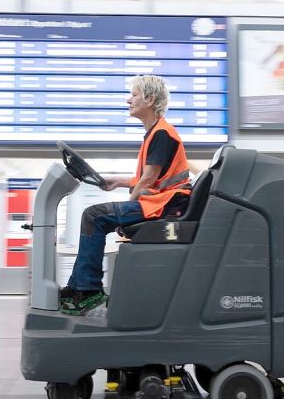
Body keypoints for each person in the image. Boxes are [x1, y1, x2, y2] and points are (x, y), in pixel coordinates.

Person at [60, 75, 191, 315]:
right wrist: (117, 182)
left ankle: (88, 290)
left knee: (94, 216)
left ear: (150, 99)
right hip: (159, 201)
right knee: (94, 216)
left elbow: (148, 180)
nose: (128, 100)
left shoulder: (162, 134)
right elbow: (150, 179)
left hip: (164, 204)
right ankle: (76, 286)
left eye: (133, 95)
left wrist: (126, 211)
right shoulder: (156, 132)